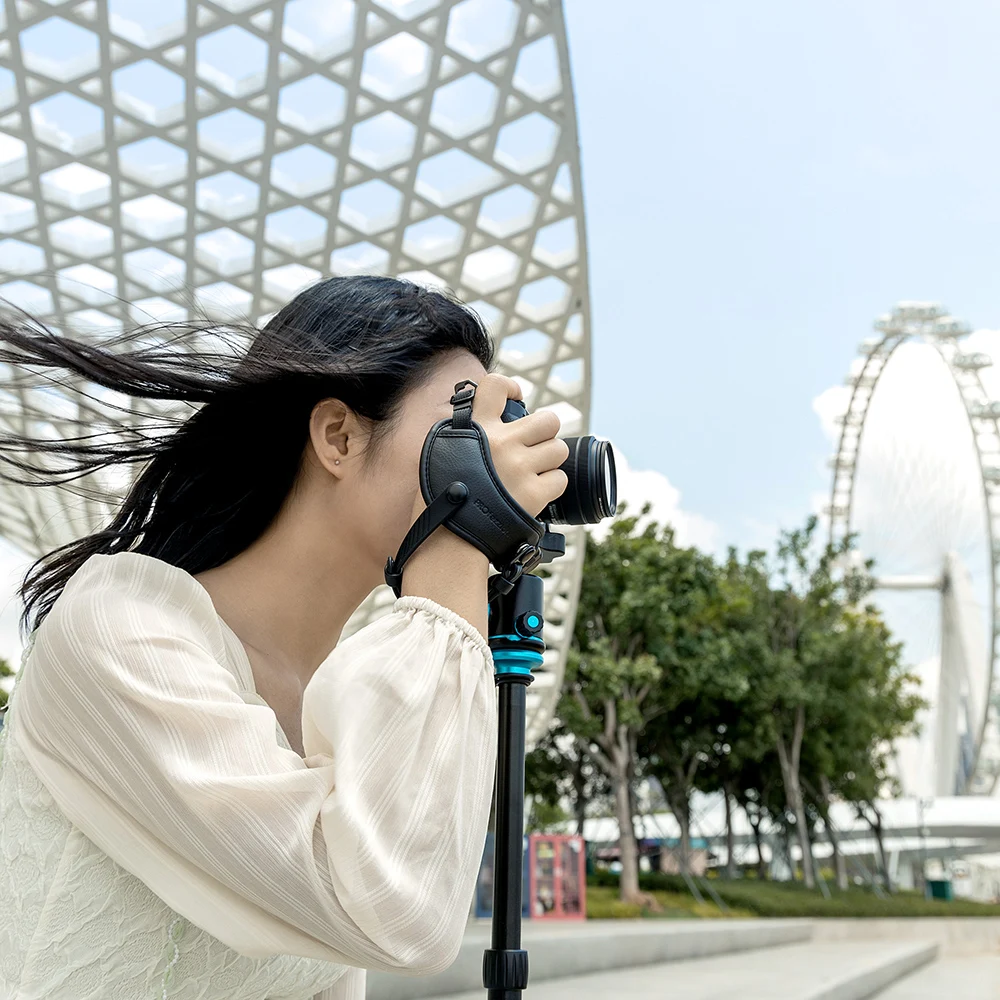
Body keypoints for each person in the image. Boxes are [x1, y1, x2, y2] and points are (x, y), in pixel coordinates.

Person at [0, 275, 570, 999]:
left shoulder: (344, 702)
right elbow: (400, 915)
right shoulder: (119, 630)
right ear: (337, 436)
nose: (498, 456)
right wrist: (457, 542)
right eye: (465, 424)